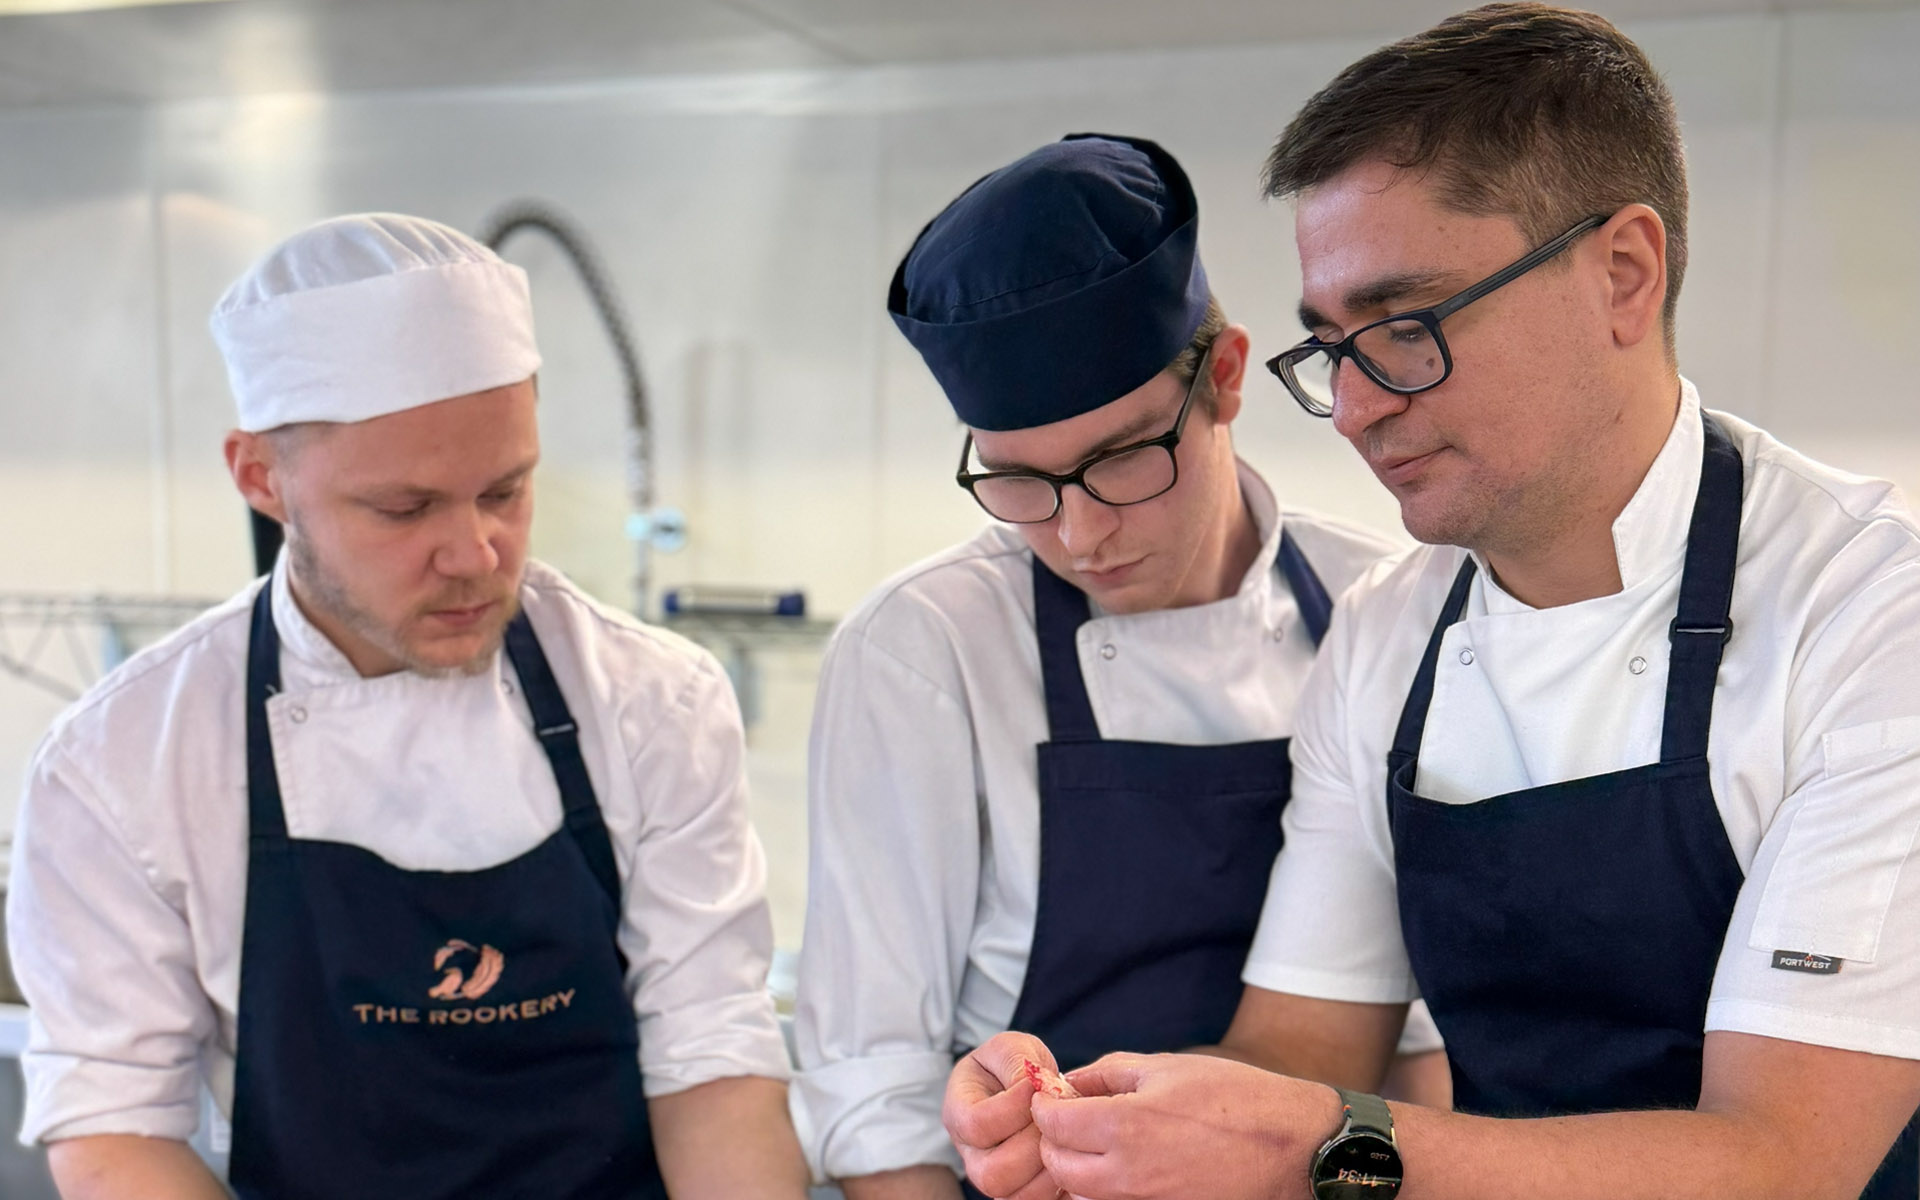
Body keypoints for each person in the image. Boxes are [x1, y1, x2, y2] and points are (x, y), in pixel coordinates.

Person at [945, 7, 1920, 1200]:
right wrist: (1090, 1117)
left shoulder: (1871, 617)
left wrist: (1313, 1144)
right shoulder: (1390, 632)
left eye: (1404, 330)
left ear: (1623, 275)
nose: (1354, 410)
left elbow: (1784, 1163)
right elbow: (1298, 1054)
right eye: (1331, 347)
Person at [5, 214, 809, 1200]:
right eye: (405, 509)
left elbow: (713, 1067)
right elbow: (114, 1128)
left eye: (505, 492)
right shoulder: (123, 759)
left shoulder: (651, 700)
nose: (475, 553)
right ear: (262, 478)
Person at [792, 133, 1440, 1200]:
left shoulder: (1385, 609)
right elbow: (872, 1083)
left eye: (1125, 458)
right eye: (1020, 481)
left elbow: (1418, 1037)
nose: (1082, 530)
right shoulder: (923, 648)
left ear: (1225, 379)